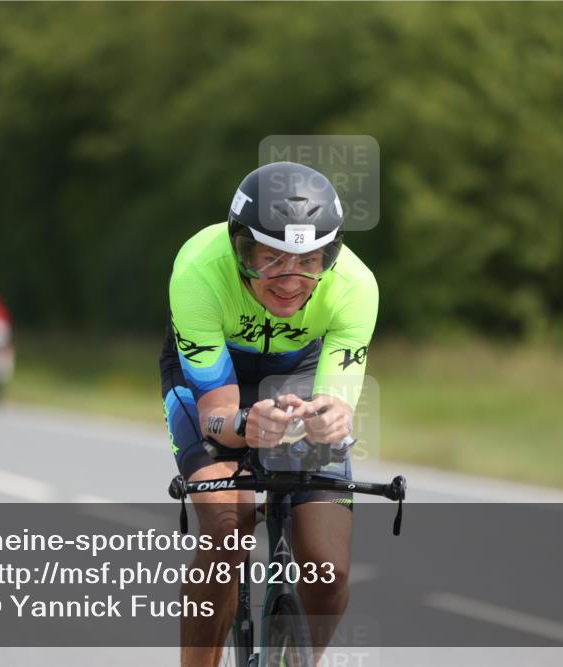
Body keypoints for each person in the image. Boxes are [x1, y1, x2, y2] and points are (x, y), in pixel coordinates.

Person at [160, 162, 378, 666]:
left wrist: (330, 421)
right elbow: (216, 412)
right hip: (213, 378)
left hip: (299, 371)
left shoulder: (356, 287)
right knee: (228, 527)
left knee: (330, 572)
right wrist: (243, 426)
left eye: (309, 261)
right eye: (270, 258)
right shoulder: (197, 269)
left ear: (330, 254)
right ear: (242, 248)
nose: (289, 279)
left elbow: (336, 401)